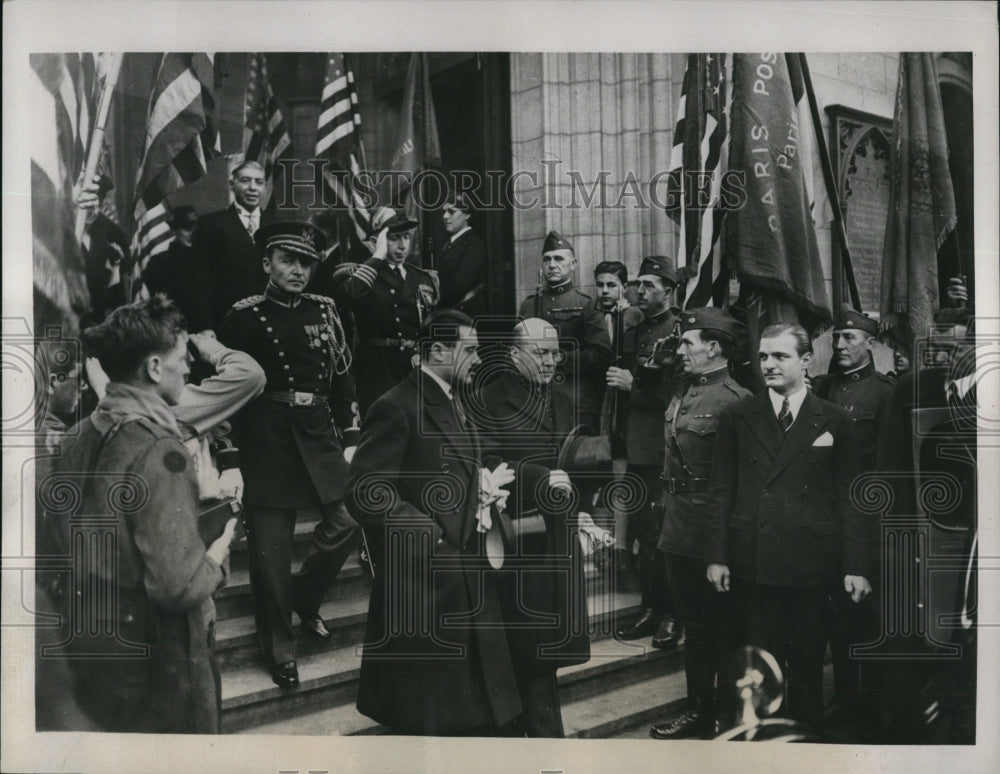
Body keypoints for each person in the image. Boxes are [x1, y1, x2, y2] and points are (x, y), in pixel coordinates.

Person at [43, 296, 236, 733]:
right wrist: (217, 558)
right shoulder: (161, 449)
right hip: (154, 661)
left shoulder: (76, 436)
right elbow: (175, 585)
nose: (189, 366)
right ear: (153, 368)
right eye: (182, 356)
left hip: (86, 641)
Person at [346, 309, 529, 735]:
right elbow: (364, 491)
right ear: (440, 351)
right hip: (425, 581)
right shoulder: (395, 406)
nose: (478, 360)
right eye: (470, 351)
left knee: (469, 715)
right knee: (431, 721)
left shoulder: (454, 399)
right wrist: (432, 539)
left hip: (464, 577)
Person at [704, 322, 872, 729]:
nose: (769, 365)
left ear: (805, 360)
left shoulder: (833, 419)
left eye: (780, 356)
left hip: (813, 567)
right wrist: (717, 556)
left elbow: (851, 499)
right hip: (753, 564)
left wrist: (857, 565)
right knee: (759, 666)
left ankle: (806, 750)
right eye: (763, 356)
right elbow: (721, 491)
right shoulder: (737, 417)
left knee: (807, 668)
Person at [219, 221, 361, 688]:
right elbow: (229, 393)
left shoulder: (326, 311)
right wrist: (232, 456)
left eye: (306, 262)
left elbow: (341, 376)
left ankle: (303, 596)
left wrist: (351, 432)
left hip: (318, 433)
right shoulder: (244, 317)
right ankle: (280, 649)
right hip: (268, 438)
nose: (299, 270)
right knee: (271, 554)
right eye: (289, 260)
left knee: (347, 522)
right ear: (267, 264)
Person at [473, 317, 590, 737]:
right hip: (515, 537)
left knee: (544, 649)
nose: (550, 361)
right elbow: (486, 463)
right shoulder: (487, 398)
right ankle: (542, 745)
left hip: (557, 536)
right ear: (513, 354)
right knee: (530, 653)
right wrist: (541, 477)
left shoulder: (562, 396)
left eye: (555, 352)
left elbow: (579, 455)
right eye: (540, 353)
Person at [650, 308, 751, 739]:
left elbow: (742, 485)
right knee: (695, 626)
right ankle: (698, 711)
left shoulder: (736, 401)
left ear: (714, 348)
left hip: (715, 535)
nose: (681, 348)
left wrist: (722, 549)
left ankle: (725, 718)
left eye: (689, 342)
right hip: (677, 527)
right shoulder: (685, 391)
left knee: (724, 629)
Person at [811, 308, 895, 732]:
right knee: (833, 622)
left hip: (862, 524)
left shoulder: (885, 394)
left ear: (871, 344)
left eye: (849, 338)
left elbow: (883, 470)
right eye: (836, 339)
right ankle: (844, 705)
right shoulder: (821, 389)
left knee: (865, 621)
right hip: (821, 524)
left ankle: (870, 713)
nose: (840, 345)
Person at [609, 256, 681, 649]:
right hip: (637, 446)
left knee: (660, 533)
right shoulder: (639, 327)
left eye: (650, 285)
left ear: (669, 290)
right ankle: (651, 609)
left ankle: (672, 614)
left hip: (661, 447)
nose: (641, 291)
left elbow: (675, 394)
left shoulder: (677, 330)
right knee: (642, 531)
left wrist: (632, 384)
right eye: (639, 284)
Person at [337, 209, 440, 416]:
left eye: (406, 237)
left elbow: (430, 325)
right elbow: (349, 296)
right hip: (376, 367)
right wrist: (377, 256)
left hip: (413, 365)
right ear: (378, 240)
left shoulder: (423, 278)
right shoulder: (362, 274)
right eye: (394, 238)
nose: (402, 245)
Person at [518, 230, 612, 430]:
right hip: (533, 401)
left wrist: (555, 358)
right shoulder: (528, 305)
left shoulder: (587, 304)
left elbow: (601, 355)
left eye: (559, 258)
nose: (552, 265)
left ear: (574, 264)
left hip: (574, 400)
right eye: (547, 259)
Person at [190, 160, 269, 333]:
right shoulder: (211, 224)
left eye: (259, 182)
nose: (252, 187)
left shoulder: (276, 225)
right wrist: (205, 327)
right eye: (245, 180)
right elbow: (200, 281)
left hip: (271, 324)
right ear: (232, 184)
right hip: (228, 323)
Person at [79, 174, 130, 325]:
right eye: (87, 204)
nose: (91, 211)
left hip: (97, 322)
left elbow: (117, 295)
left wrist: (115, 267)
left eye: (97, 204)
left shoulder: (112, 233)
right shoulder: (60, 230)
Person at [143, 205, 200, 327]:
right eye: (187, 228)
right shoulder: (158, 263)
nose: (193, 233)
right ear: (174, 229)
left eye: (197, 228)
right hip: (178, 327)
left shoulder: (209, 257)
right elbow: (165, 304)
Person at [436, 193, 488, 319]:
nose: (445, 216)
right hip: (452, 313)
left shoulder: (473, 243)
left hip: (467, 314)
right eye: (444, 212)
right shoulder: (448, 244)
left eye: (451, 212)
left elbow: (459, 286)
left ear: (467, 214)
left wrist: (434, 297)